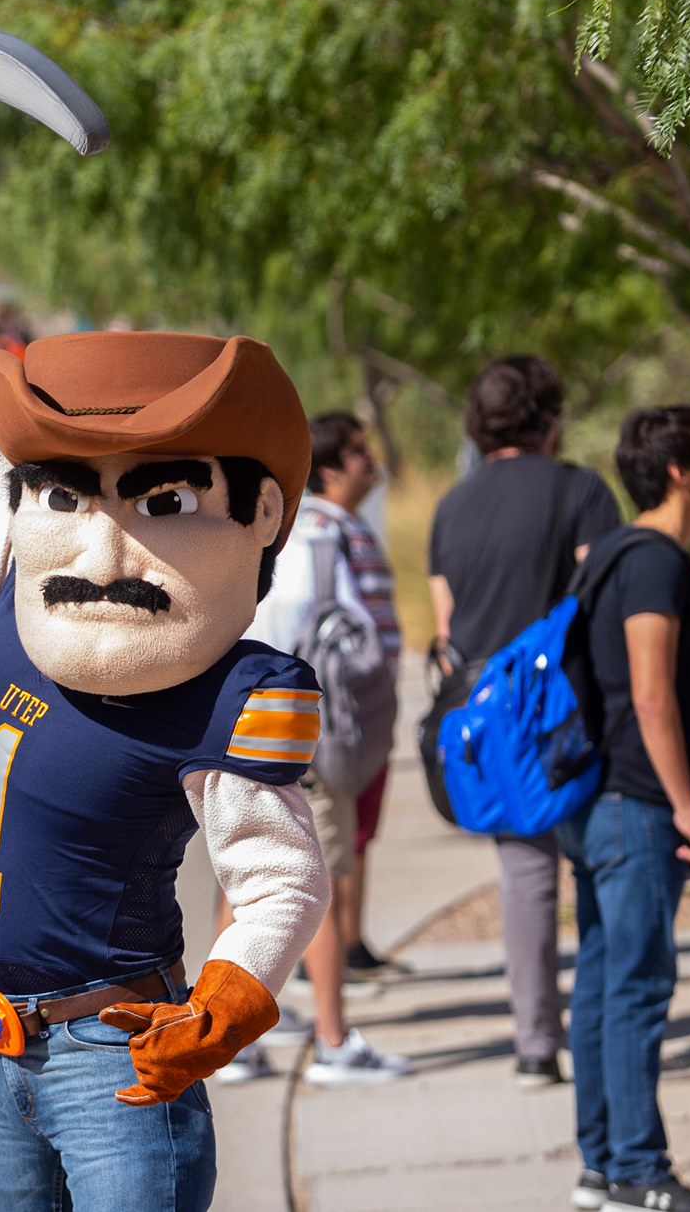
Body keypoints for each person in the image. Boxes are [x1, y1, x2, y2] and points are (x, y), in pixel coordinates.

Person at [0, 191, 330, 1211]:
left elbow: (278, 878)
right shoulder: (12, 576)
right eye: (64, 494)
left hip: (116, 1049)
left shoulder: (228, 692)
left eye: (163, 501)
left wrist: (224, 999)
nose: (100, 549)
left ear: (254, 512)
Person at [426, 355, 622, 1087]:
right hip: (574, 710)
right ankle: (609, 1025)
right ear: (550, 416)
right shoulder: (580, 489)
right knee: (602, 862)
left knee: (527, 875)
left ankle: (536, 1042)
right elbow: (603, 600)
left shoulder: (452, 505)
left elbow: (450, 631)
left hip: (493, 726)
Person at [564, 405, 690, 1212]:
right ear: (680, 470)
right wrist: (686, 803)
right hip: (634, 799)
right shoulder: (656, 561)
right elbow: (652, 690)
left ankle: (602, 1164)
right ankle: (639, 1169)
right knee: (633, 986)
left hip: (596, 799)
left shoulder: (606, 556)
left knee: (602, 983)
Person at [219, 412, 411, 1087]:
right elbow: (336, 638)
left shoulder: (263, 527)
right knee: (314, 882)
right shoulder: (325, 538)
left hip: (245, 721)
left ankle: (231, 1033)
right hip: (308, 732)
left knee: (243, 876)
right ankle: (333, 1039)